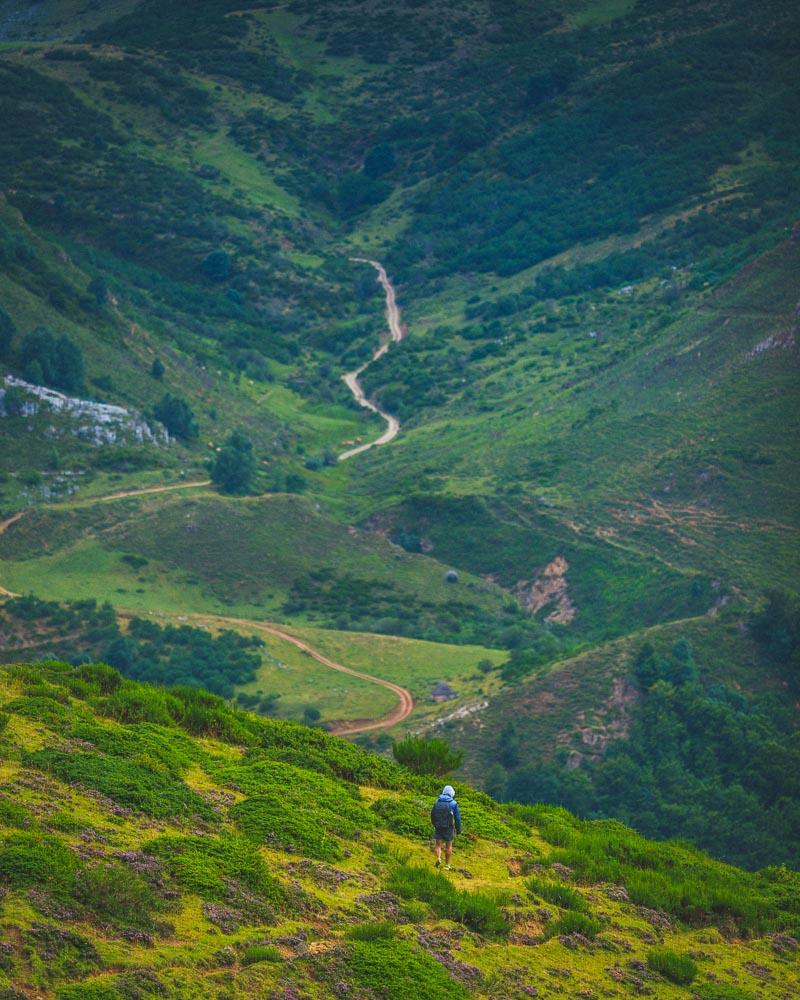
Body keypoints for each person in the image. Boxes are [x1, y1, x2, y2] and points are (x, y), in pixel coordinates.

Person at [430, 784, 461, 869]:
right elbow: (457, 818)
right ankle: (447, 865)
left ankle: (438, 858)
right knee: (449, 846)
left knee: (438, 845)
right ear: (451, 793)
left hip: (438, 826)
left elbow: (432, 814)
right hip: (448, 827)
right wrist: (458, 830)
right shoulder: (453, 803)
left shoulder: (437, 801)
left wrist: (434, 824)